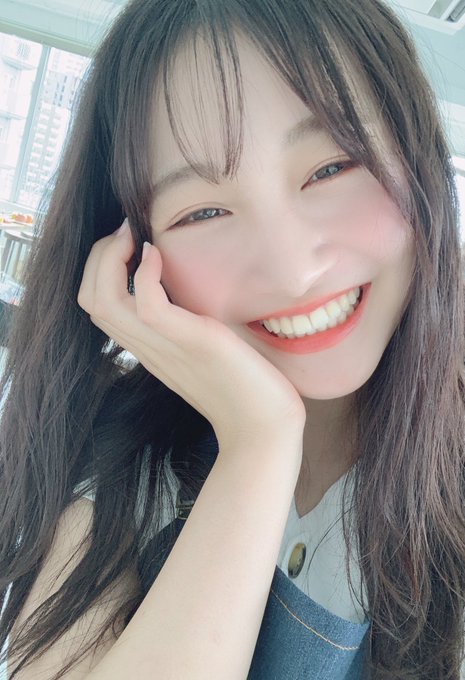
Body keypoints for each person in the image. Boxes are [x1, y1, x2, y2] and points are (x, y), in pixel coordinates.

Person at [0, 0, 464, 677]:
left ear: (418, 158)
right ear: (131, 255)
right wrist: (258, 442)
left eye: (332, 167)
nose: (291, 270)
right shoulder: (117, 461)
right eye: (204, 211)